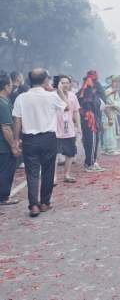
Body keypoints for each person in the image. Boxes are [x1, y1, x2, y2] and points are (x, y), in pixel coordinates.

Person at [12, 69, 67, 217]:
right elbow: (66, 106)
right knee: (48, 171)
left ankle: (33, 205)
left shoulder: (21, 98)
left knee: (32, 173)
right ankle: (44, 203)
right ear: (45, 81)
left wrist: (16, 140)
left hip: (29, 139)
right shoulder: (51, 96)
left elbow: (17, 120)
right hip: (48, 138)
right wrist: (59, 90)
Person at [54, 75, 81, 183]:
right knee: (54, 154)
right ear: (58, 84)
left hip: (69, 129)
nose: (65, 85)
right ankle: (53, 177)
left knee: (70, 153)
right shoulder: (53, 96)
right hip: (55, 130)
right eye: (62, 82)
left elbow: (76, 111)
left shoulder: (72, 96)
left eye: (67, 82)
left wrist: (78, 126)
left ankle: (67, 175)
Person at [78, 70, 106, 172]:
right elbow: (95, 103)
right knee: (92, 141)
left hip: (86, 118)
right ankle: (91, 163)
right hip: (91, 119)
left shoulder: (83, 88)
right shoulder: (90, 89)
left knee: (89, 141)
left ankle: (89, 161)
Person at [0, 74, 20, 206]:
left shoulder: (5, 101)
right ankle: (3, 197)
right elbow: (6, 128)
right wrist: (13, 145)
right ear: (6, 86)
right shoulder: (2, 103)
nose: (12, 87)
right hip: (4, 146)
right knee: (6, 171)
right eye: (11, 85)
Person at [102, 76, 120, 155]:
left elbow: (118, 102)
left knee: (111, 131)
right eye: (116, 82)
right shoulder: (108, 91)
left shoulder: (115, 91)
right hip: (107, 113)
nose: (118, 84)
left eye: (118, 82)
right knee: (109, 132)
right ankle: (109, 149)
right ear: (112, 82)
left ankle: (106, 148)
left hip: (112, 113)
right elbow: (112, 103)